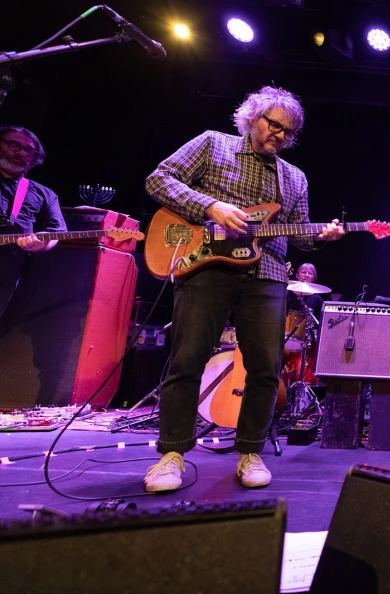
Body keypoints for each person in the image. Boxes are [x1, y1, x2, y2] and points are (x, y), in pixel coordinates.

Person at [143, 86, 344, 492]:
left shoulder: (294, 177)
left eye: (289, 132)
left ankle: (250, 451)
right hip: (206, 267)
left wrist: (321, 236)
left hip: (267, 274)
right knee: (187, 361)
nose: (280, 136)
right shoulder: (213, 143)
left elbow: (300, 233)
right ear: (252, 117)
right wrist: (211, 207)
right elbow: (158, 179)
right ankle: (171, 457)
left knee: (267, 369)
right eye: (274, 125)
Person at [0, 125, 67, 318]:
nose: (20, 153)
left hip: (5, 275)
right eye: (13, 145)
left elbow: (55, 232)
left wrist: (41, 244)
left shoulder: (44, 194)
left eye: (29, 150)